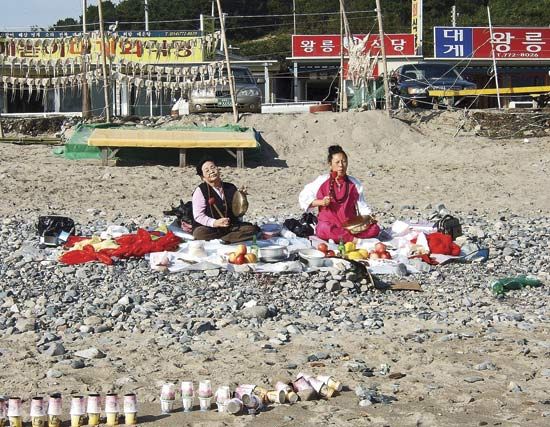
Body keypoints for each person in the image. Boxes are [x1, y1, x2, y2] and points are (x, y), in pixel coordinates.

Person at [299, 145, 380, 243]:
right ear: (330, 164)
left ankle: (343, 237)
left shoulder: (354, 183)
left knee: (374, 228)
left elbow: (362, 206)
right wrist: (321, 202)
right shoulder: (322, 181)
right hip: (330, 225)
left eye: (344, 161)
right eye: (337, 162)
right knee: (323, 229)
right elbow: (303, 197)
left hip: (350, 226)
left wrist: (369, 218)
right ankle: (354, 240)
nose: (341, 165)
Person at [192, 158, 259, 243]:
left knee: (252, 229)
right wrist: (215, 222)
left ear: (218, 170)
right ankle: (230, 238)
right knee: (199, 233)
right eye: (207, 171)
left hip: (230, 226)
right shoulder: (200, 191)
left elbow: (238, 212)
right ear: (203, 178)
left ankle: (224, 239)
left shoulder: (230, 187)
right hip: (211, 228)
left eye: (213, 167)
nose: (211, 171)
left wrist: (242, 198)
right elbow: (198, 215)